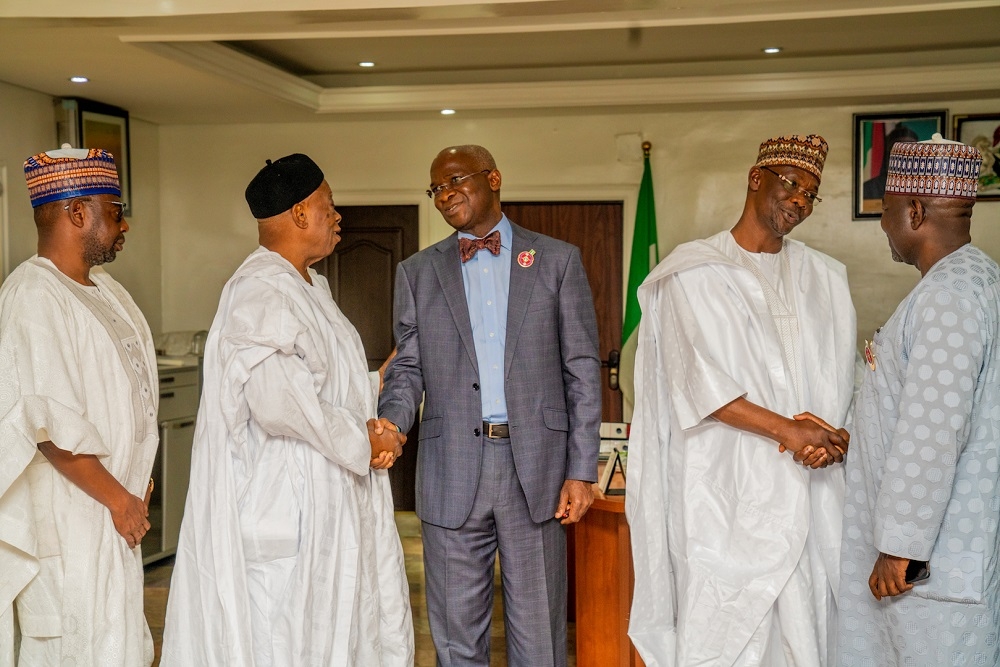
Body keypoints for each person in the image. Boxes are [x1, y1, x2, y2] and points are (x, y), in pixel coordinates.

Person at [160, 154, 412, 666]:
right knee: (288, 641)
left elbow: (324, 383)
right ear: (299, 214)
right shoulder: (261, 290)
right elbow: (280, 405)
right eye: (329, 205)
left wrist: (378, 391)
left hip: (332, 496)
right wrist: (367, 439)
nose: (338, 216)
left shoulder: (310, 285)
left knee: (344, 632)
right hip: (286, 507)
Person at [626, 135, 857, 666]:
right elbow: (698, 383)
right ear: (757, 178)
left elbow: (841, 379)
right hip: (726, 493)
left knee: (810, 633)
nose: (800, 200)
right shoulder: (693, 272)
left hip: (813, 488)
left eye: (811, 193)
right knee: (730, 638)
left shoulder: (825, 278)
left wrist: (835, 437)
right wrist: (791, 432)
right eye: (792, 184)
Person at [377, 144, 602, 667]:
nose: (445, 195)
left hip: (538, 472)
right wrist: (391, 423)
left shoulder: (558, 260)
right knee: (456, 642)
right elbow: (406, 367)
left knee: (539, 640)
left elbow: (582, 369)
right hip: (450, 469)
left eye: (456, 180)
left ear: (494, 178)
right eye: (436, 188)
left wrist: (582, 469)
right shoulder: (416, 272)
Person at [839, 134, 1000, 666]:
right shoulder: (977, 280)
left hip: (929, 562)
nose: (884, 225)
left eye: (885, 211)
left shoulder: (949, 297)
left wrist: (900, 545)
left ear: (913, 210)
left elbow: (934, 430)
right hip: (947, 549)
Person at [0, 145, 157, 666]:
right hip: (75, 519)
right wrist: (120, 499)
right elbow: (47, 426)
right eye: (114, 212)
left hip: (112, 513)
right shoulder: (33, 295)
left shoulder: (107, 291)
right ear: (76, 213)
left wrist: (133, 489)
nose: (123, 225)